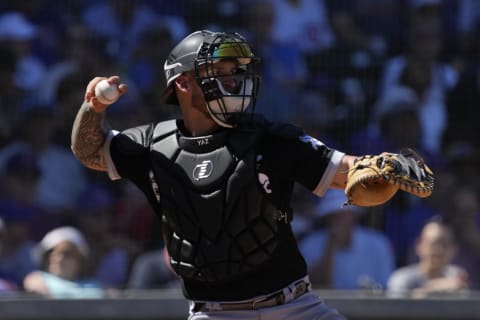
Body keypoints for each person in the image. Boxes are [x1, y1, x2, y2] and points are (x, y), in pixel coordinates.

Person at [71, 30, 430, 320]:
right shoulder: (151, 146)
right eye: (221, 71)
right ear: (183, 84)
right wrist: (94, 106)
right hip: (213, 314)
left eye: (236, 71)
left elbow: (345, 171)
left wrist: (389, 167)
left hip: (294, 307)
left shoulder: (271, 138)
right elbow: (89, 151)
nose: (234, 79)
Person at [299, 189, 394, 290]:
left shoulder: (378, 244)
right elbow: (314, 286)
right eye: (334, 216)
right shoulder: (309, 244)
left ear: (354, 215)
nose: (338, 221)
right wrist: (330, 248)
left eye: (343, 214)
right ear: (327, 218)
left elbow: (385, 287)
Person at [387, 216, 468, 298]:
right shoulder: (402, 279)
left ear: (454, 249)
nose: (439, 249)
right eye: (434, 243)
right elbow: (397, 308)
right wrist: (434, 289)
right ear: (419, 246)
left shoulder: (455, 274)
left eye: (445, 244)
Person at [23, 226, 105, 299]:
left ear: (80, 260)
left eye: (67, 253)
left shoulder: (94, 285)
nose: (58, 259)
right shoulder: (37, 279)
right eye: (51, 253)